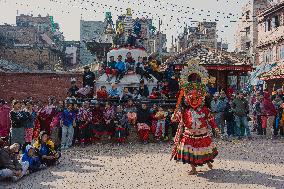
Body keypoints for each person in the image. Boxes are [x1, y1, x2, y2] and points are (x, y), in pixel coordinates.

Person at [171, 68, 220, 175]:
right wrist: (174, 116)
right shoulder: (185, 111)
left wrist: (215, 128)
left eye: (196, 98)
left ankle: (208, 163)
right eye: (191, 98)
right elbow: (176, 119)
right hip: (189, 135)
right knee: (190, 152)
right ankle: (193, 168)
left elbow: (211, 120)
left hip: (202, 134)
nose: (194, 100)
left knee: (205, 151)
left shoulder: (205, 110)